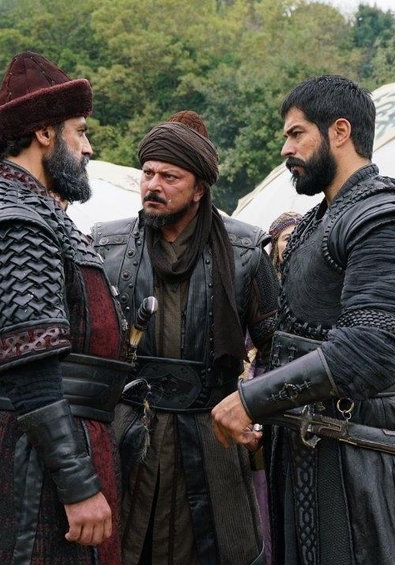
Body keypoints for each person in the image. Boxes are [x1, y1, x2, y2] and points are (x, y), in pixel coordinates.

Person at [211, 75, 395, 564]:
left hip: (361, 452)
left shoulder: (388, 218)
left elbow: (369, 351)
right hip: (310, 441)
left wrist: (254, 398)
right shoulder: (317, 221)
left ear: (339, 131)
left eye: (296, 133)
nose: (286, 149)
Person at [0, 51, 130, 565]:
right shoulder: (12, 219)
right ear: (45, 133)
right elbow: (29, 367)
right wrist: (76, 483)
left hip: (69, 437)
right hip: (38, 456)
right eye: (80, 132)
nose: (88, 148)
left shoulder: (38, 209)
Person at [93, 110, 279, 564]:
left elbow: (278, 349)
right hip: (130, 430)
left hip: (212, 435)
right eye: (148, 173)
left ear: (198, 189)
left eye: (169, 177)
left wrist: (254, 412)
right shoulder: (105, 246)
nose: (153, 185)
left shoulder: (246, 251)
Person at [268, 211, 301, 276]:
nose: (294, 243)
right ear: (275, 247)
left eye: (299, 237)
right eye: (287, 238)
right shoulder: (266, 280)